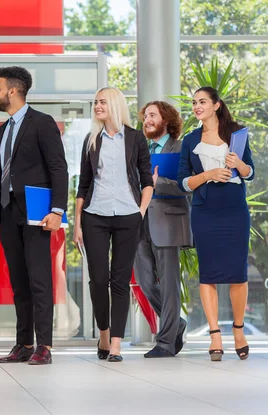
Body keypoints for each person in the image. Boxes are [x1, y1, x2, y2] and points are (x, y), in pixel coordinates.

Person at [0, 66, 68, 365]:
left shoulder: (42, 123)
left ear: (12, 90)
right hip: (8, 214)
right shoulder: (1, 131)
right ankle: (23, 343)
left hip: (37, 215)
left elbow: (58, 168)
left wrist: (57, 210)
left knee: (39, 281)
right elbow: (1, 180)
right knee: (19, 283)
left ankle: (44, 345)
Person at [73, 87, 153, 362]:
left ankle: (116, 344)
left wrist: (140, 213)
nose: (97, 106)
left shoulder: (135, 138)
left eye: (102, 102)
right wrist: (77, 224)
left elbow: (147, 181)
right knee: (98, 280)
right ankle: (104, 334)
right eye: (95, 102)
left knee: (120, 281)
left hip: (128, 216)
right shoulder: (91, 140)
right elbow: (82, 185)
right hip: (95, 215)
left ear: (115, 105)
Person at [177, 86, 254, 361]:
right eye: (194, 103)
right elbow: (183, 182)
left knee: (238, 271)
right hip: (205, 210)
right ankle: (214, 336)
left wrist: (239, 164)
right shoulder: (190, 140)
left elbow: (250, 172)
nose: (197, 106)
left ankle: (238, 330)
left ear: (216, 105)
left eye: (202, 102)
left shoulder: (238, 134)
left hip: (234, 209)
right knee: (208, 272)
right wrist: (208, 173)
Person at [134, 101, 191, 358]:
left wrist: (160, 183)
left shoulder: (180, 148)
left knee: (168, 285)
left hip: (168, 220)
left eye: (152, 115)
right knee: (145, 283)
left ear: (166, 119)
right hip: (139, 221)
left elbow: (188, 185)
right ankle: (176, 323)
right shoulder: (139, 148)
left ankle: (166, 343)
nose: (147, 119)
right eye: (145, 116)